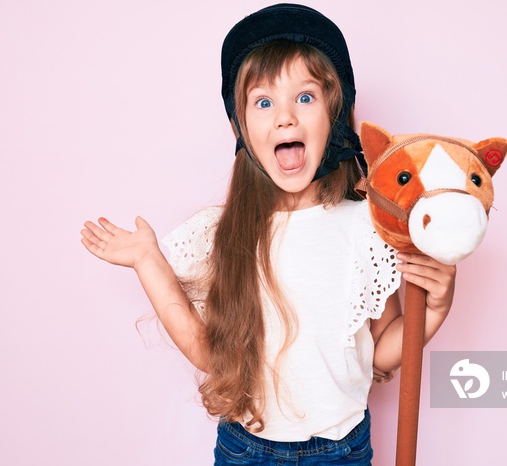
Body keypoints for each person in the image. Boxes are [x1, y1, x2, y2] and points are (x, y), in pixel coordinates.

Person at [80, 4, 456, 465]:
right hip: (246, 451)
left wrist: (435, 308)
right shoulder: (222, 235)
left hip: (342, 451)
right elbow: (209, 353)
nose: (284, 118)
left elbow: (381, 353)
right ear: (242, 129)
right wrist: (147, 261)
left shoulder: (366, 228)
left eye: (305, 97)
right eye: (263, 102)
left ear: (335, 115)